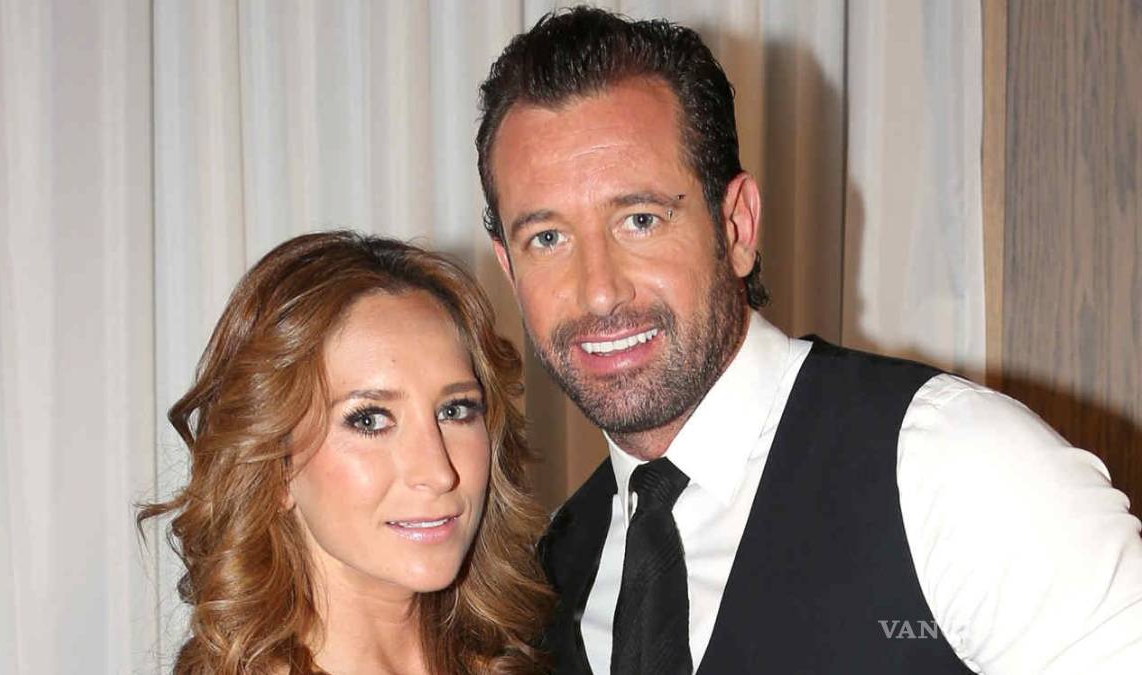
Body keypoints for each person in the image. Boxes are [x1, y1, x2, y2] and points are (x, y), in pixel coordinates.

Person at [474, 6, 1142, 675]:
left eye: (640, 220)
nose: (598, 291)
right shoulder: (549, 578)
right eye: (547, 238)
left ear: (737, 227)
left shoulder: (954, 465)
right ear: (509, 269)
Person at [138, 231, 554, 675]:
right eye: (369, 420)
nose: (438, 472)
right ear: (274, 466)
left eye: (455, 410)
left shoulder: (546, 649)